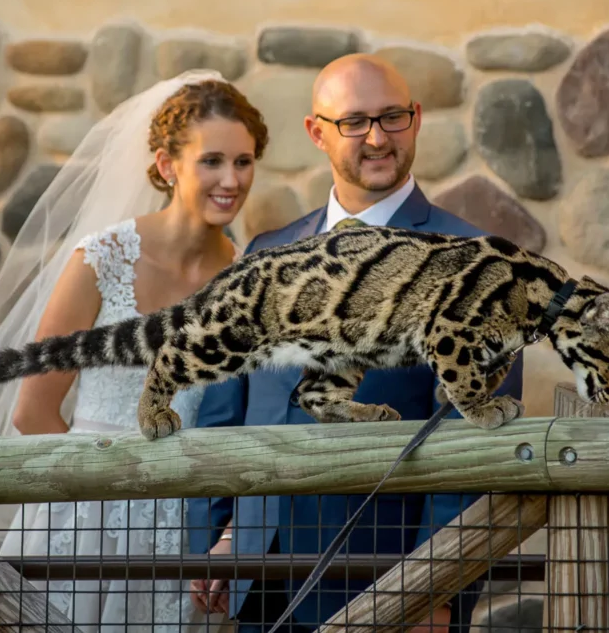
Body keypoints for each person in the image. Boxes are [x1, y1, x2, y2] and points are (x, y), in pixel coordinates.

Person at [186, 54, 524, 633]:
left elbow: (473, 450)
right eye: (354, 121)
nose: (376, 138)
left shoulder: (478, 262)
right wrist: (212, 537)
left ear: (416, 120)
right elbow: (224, 412)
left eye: (392, 117)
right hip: (254, 582)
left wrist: (433, 593)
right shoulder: (268, 250)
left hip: (384, 584)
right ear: (317, 132)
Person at [0, 69, 269, 633]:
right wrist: (102, 495)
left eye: (243, 161)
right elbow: (32, 413)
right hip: (84, 514)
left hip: (186, 529)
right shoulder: (102, 259)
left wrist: (218, 532)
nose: (232, 179)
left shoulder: (248, 277)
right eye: (212, 161)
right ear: (168, 165)